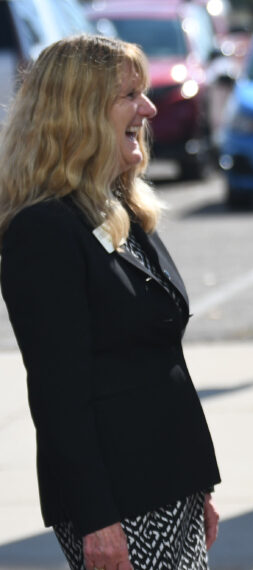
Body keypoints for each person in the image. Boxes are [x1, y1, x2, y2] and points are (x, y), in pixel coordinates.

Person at [0, 34, 221, 569]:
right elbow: (58, 395)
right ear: (78, 112)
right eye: (130, 95)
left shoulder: (119, 205)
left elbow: (157, 357)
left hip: (171, 483)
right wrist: (98, 517)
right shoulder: (44, 229)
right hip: (120, 500)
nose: (148, 108)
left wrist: (198, 488)